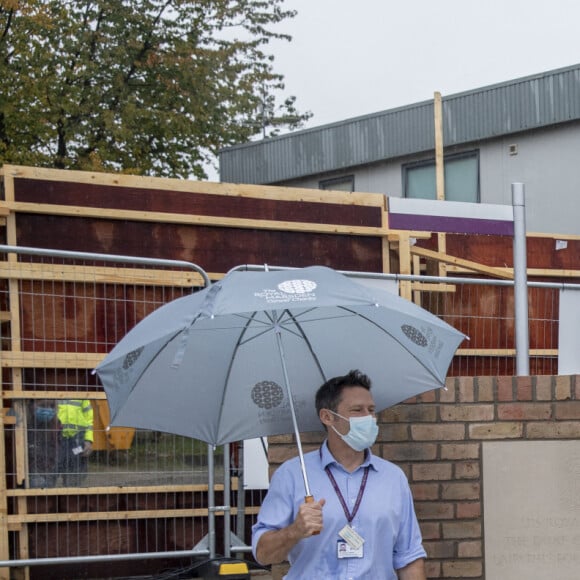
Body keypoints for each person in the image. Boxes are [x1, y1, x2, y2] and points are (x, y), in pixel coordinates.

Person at [252, 370, 427, 579]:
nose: (368, 418)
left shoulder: (393, 478)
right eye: (357, 410)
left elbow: (409, 557)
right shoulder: (292, 475)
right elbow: (263, 554)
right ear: (327, 417)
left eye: (371, 410)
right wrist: (294, 531)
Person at [56, 398, 94, 486]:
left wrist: (88, 440)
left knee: (75, 475)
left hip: (77, 440)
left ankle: (72, 494)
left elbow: (89, 419)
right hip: (57, 439)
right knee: (51, 473)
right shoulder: (53, 388)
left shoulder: (82, 392)